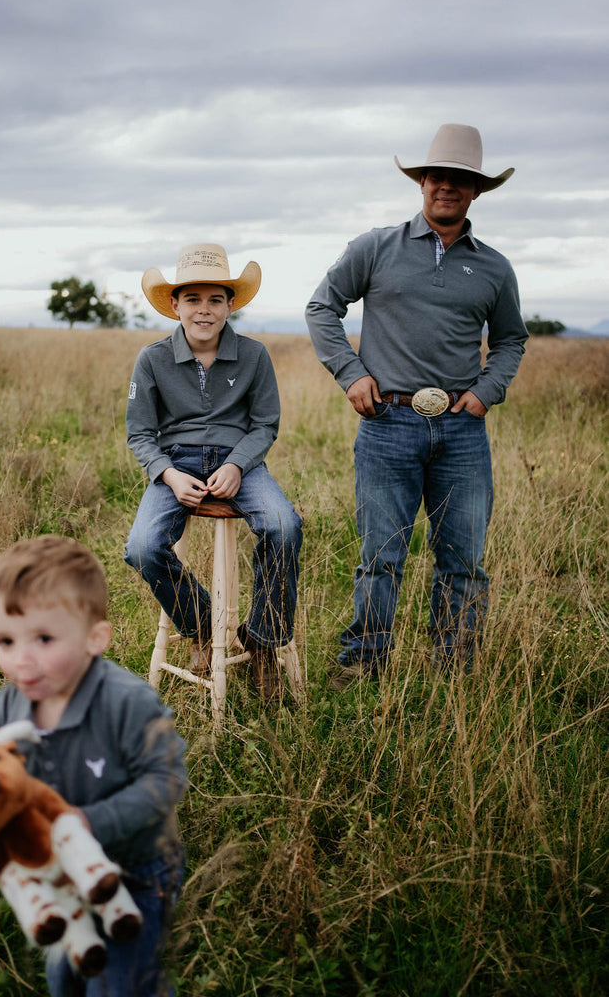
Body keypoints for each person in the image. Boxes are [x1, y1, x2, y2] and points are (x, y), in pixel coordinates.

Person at [305, 124, 528, 688]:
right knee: (381, 555)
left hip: (461, 429)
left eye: (460, 179)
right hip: (387, 424)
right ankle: (363, 663)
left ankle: (454, 671)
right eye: (436, 175)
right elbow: (321, 307)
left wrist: (484, 394)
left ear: (477, 190)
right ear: (421, 182)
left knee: (464, 560)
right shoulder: (374, 247)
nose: (445, 186)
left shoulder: (495, 268)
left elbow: (510, 341)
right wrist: (351, 374)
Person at [0, 535, 188, 996]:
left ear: (95, 637)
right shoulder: (7, 707)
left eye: (44, 639)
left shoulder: (126, 702)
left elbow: (166, 776)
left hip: (133, 870)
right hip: (59, 876)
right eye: (6, 640)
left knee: (121, 982)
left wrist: (88, 823)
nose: (22, 659)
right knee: (67, 973)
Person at [124, 243, 302, 700]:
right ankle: (202, 624)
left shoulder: (254, 355)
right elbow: (140, 434)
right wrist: (168, 474)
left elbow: (265, 424)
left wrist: (238, 465)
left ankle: (261, 642)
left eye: (216, 299)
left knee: (284, 526)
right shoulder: (153, 359)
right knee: (142, 547)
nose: (204, 310)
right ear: (174, 305)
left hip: (238, 460)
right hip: (177, 463)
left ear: (230, 304)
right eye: (193, 299)